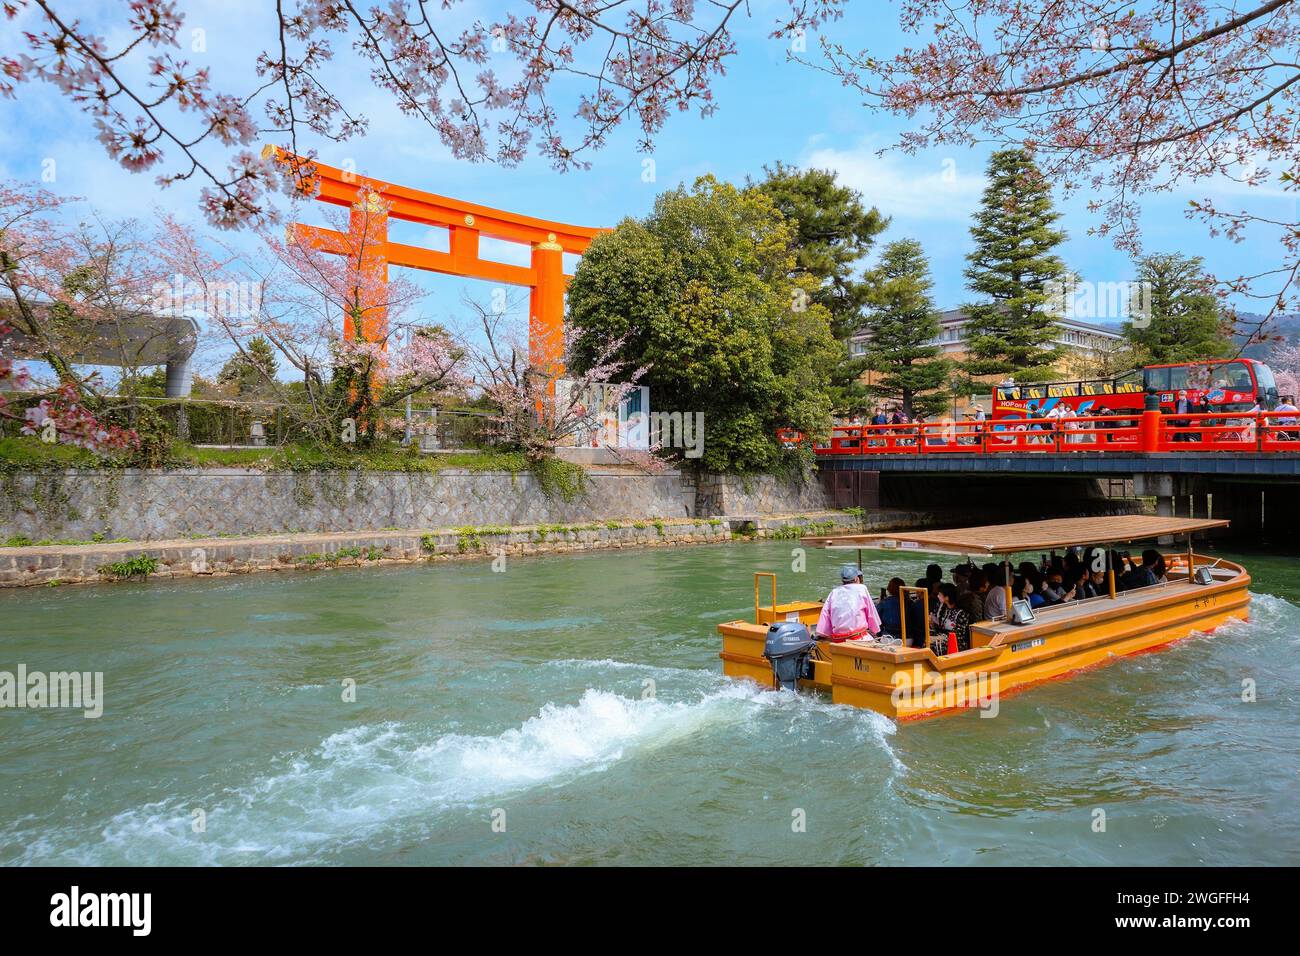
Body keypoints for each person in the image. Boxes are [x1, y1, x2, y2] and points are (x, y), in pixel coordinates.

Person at [816, 565, 882, 641]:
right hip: (858, 638)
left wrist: (824, 634)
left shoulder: (834, 592)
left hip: (838, 638)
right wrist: (875, 630)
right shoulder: (862, 588)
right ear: (856, 578)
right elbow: (871, 613)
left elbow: (825, 616)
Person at [932, 583, 972, 654]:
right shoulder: (941, 608)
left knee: (936, 646)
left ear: (947, 598)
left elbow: (958, 635)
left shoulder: (961, 613)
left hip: (956, 642)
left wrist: (939, 638)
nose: (938, 596)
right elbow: (938, 627)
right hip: (942, 637)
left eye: (940, 595)